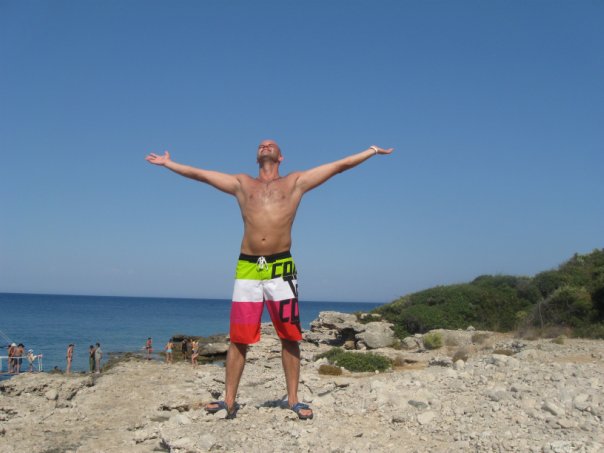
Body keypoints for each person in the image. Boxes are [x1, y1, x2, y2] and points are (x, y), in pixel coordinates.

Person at [146, 140, 393, 420]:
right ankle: (228, 401)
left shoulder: (295, 182)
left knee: (290, 336)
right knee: (239, 338)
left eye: (270, 144)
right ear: (256, 156)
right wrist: (169, 163)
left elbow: (338, 166)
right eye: (261, 145)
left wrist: (372, 151)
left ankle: (293, 400)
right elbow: (201, 175)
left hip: (281, 267)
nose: (265, 146)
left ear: (280, 156)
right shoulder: (242, 184)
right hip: (248, 267)